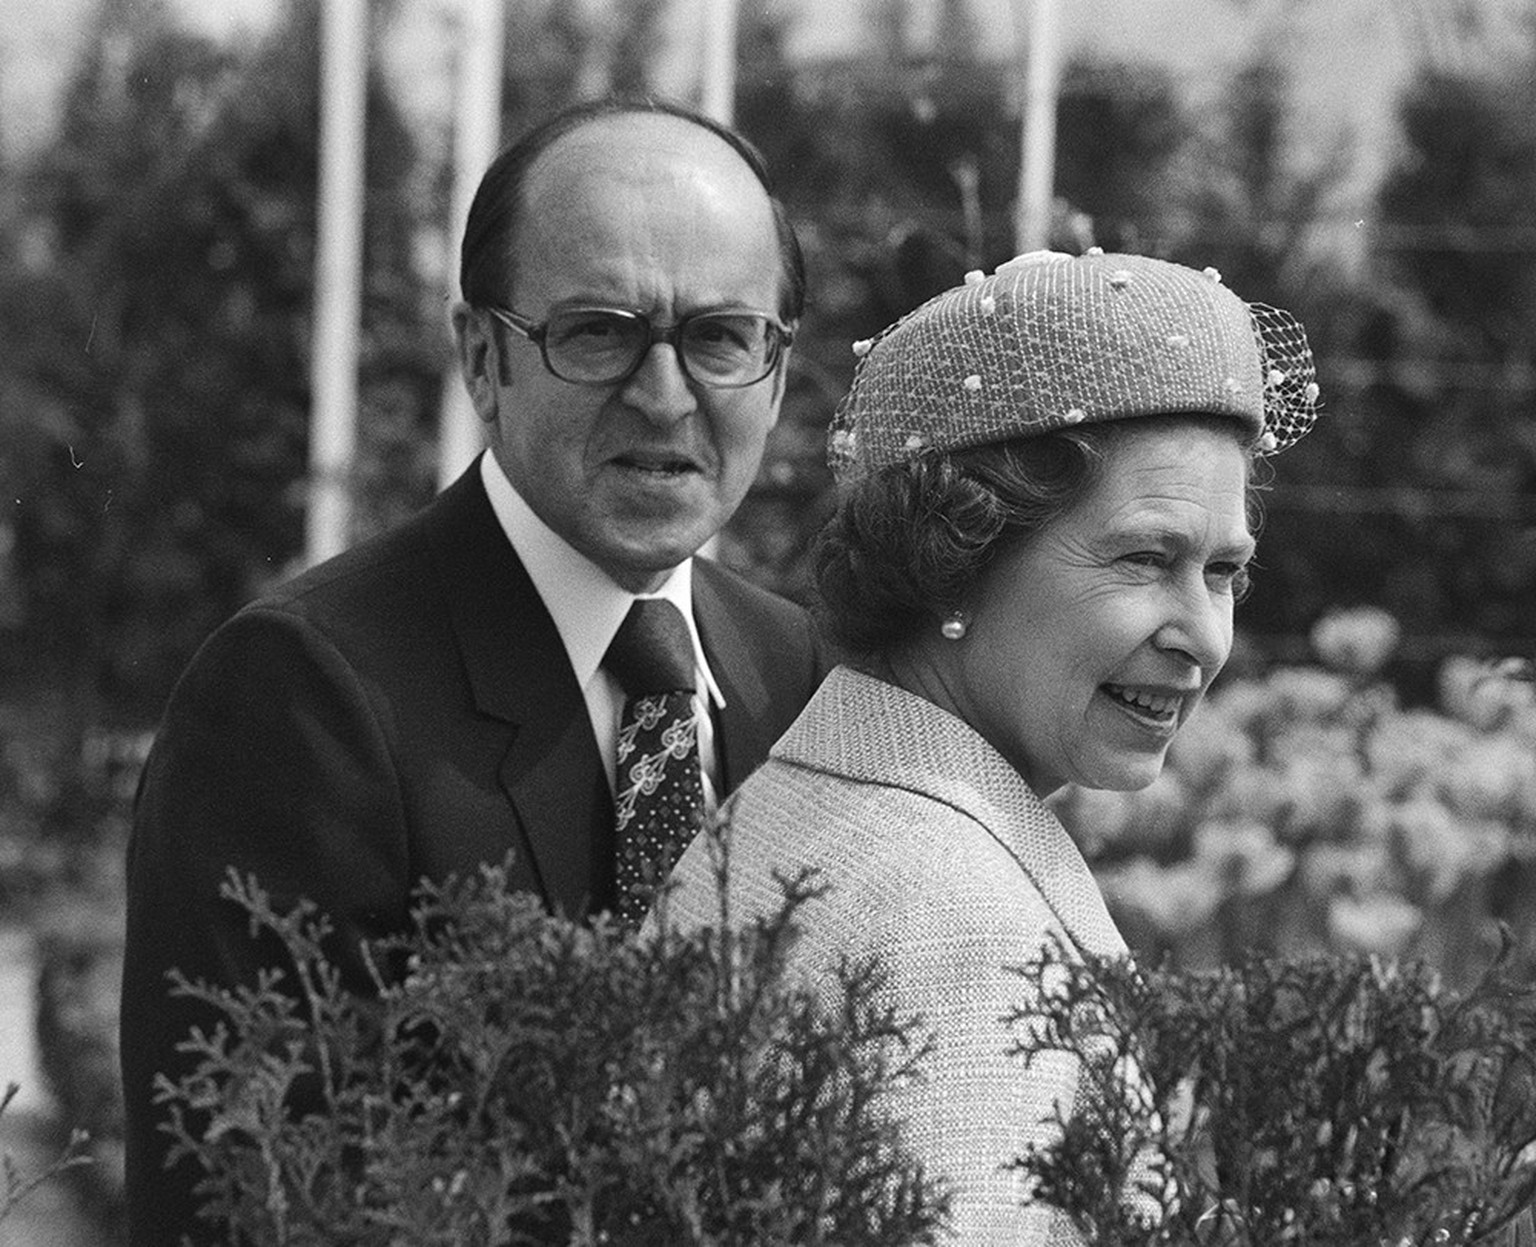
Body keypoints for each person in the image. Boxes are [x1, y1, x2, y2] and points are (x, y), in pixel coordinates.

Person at [120, 97, 824, 1245]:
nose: (664, 392)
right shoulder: (304, 695)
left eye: (721, 336)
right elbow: (247, 1204)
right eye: (599, 331)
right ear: (482, 357)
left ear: (778, 372)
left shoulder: (798, 672)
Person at [659, 249, 1321, 1243]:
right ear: (955, 558)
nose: (1205, 635)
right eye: (1146, 558)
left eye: (1224, 571)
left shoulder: (823, 798)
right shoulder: (956, 917)